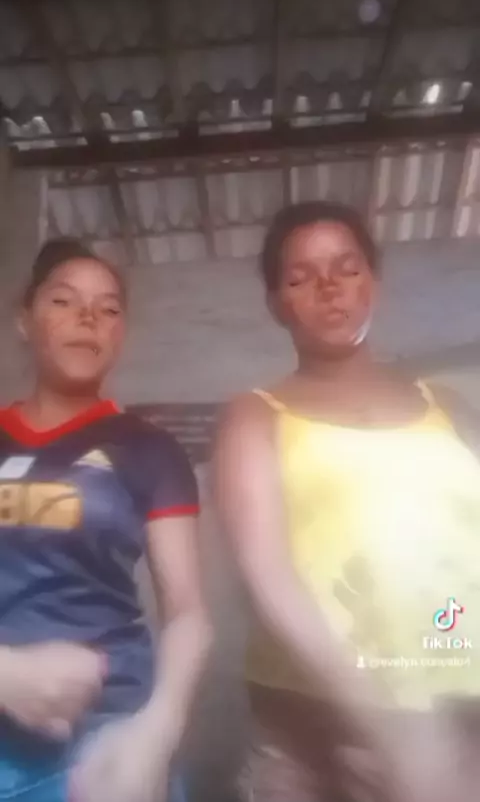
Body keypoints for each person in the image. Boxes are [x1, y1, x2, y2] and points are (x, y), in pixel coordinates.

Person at [213, 201, 480, 802]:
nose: (329, 288)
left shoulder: (447, 408)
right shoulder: (255, 416)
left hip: (460, 712)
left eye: (347, 267)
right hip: (314, 723)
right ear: (276, 304)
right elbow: (268, 576)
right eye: (300, 277)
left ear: (373, 283)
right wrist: (388, 726)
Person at [0, 239, 212, 802]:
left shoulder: (150, 449)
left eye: (109, 308)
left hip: (111, 739)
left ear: (120, 333)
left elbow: (188, 613)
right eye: (63, 301)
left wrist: (157, 733)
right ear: (25, 318)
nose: (88, 317)